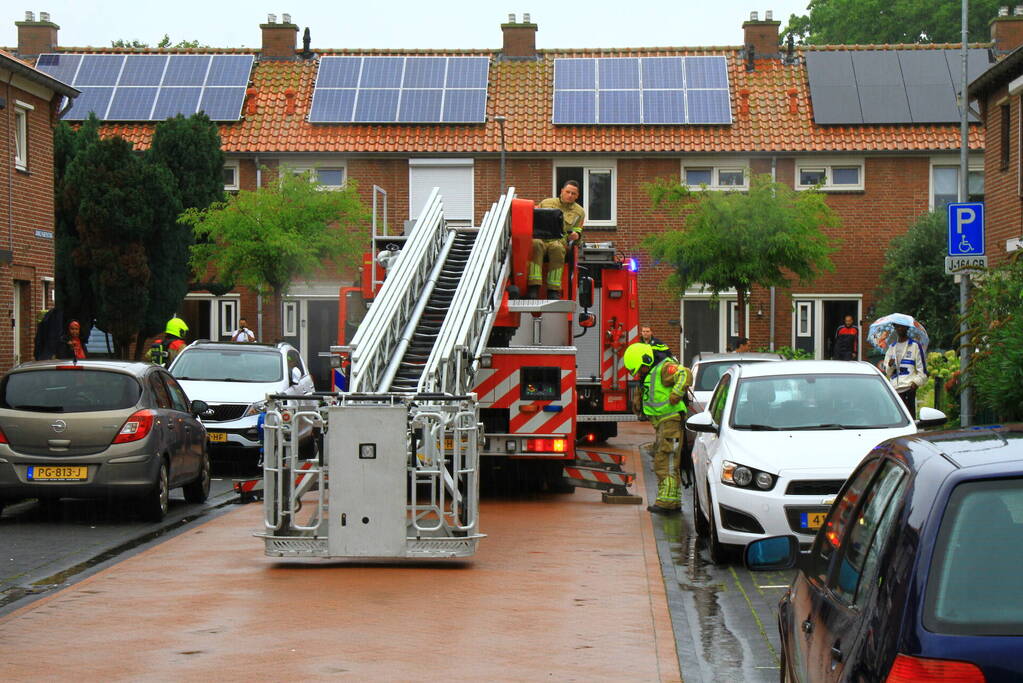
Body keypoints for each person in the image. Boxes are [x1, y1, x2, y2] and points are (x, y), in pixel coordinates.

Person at [624, 342, 693, 515]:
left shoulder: (664, 368)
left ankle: (667, 504)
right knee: (667, 460)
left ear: (646, 360)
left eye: (640, 369)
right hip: (663, 423)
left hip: (670, 421)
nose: (640, 373)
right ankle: (672, 500)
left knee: (665, 461)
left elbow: (684, 373)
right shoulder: (651, 373)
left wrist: (677, 393)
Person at [528, 180, 585, 300]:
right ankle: (533, 287)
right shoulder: (546, 203)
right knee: (535, 244)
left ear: (577, 196)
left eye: (573, 194)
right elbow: (532, 220)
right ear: (562, 191)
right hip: (541, 238)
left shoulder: (579, 212)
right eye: (568, 192)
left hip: (560, 240)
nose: (570, 195)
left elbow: (578, 231)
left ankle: (553, 290)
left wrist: (576, 235)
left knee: (557, 249)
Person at [883, 323, 927, 415]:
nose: (900, 328)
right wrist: (890, 365)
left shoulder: (915, 346)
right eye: (897, 326)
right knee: (896, 418)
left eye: (902, 326)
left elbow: (922, 369)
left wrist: (915, 383)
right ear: (895, 328)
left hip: (908, 388)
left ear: (907, 328)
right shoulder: (891, 347)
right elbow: (888, 372)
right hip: (895, 389)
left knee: (910, 417)